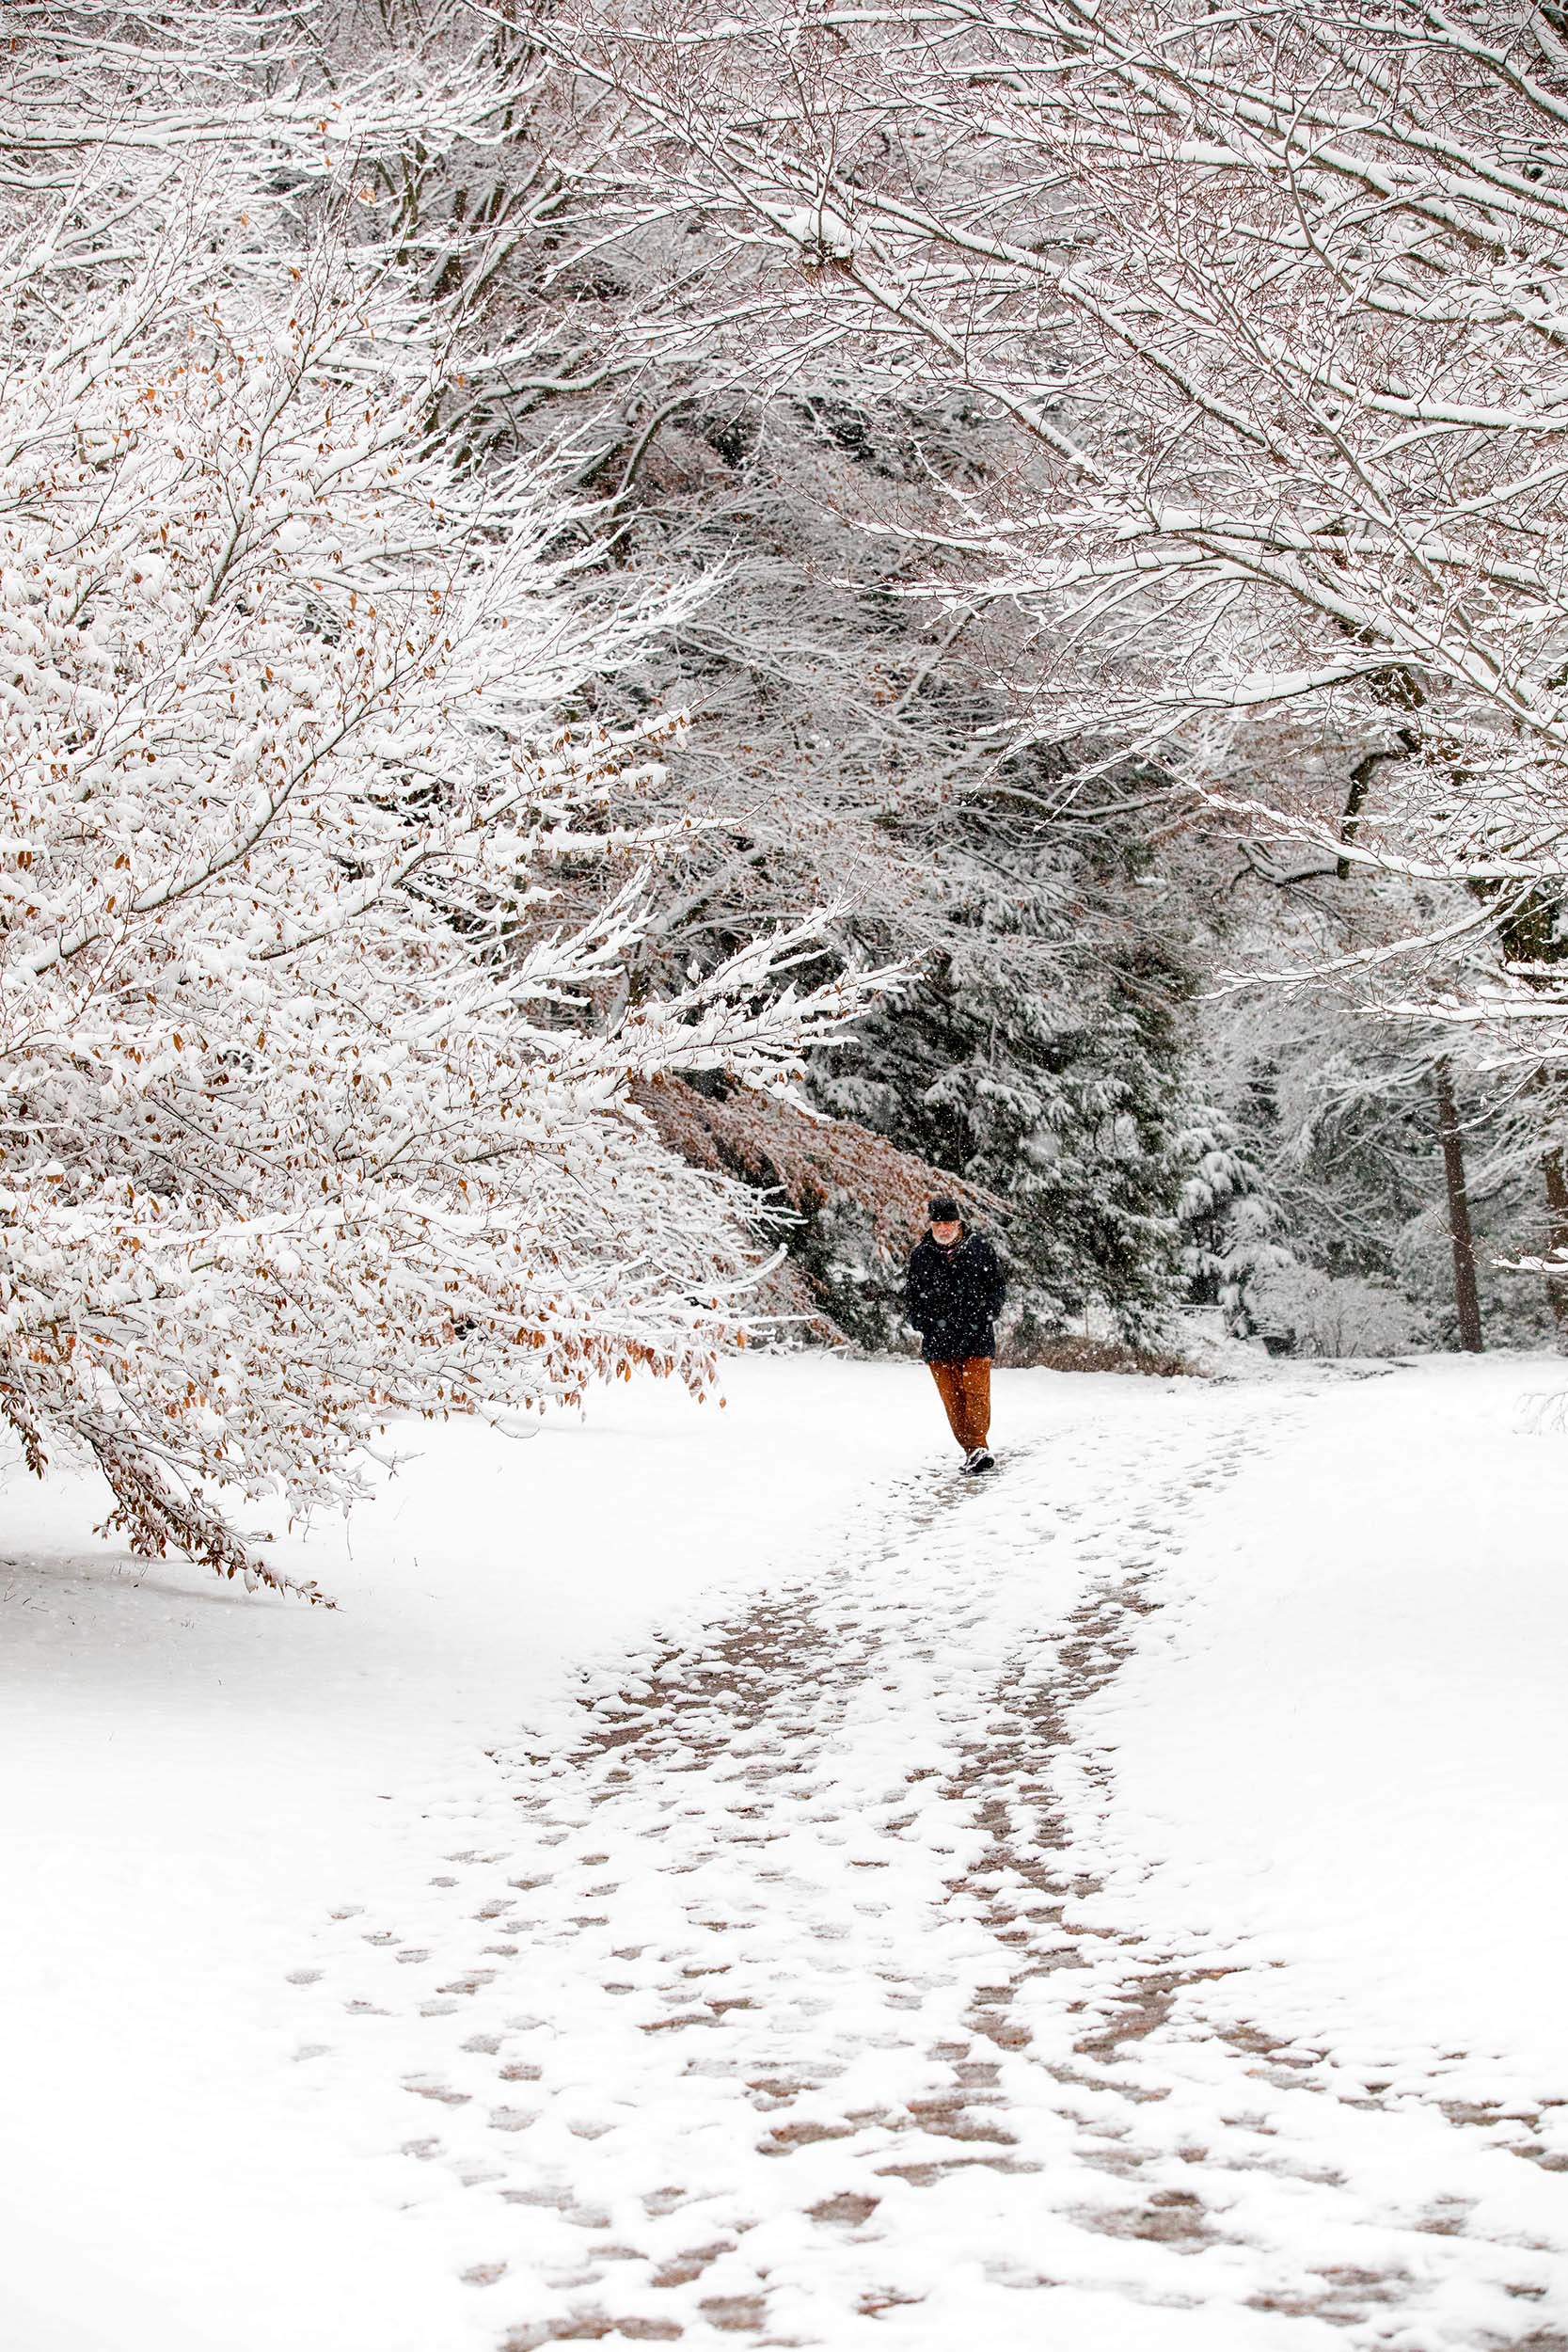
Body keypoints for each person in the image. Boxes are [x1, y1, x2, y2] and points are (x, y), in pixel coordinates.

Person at [903, 1197, 1007, 1474]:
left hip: (976, 1338)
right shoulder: (921, 1256)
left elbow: (997, 1286)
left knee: (976, 1394)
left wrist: (987, 1313)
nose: (944, 1228)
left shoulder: (980, 1249)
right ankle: (972, 1450)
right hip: (938, 1341)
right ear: (931, 1225)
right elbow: (911, 1297)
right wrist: (921, 1321)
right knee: (953, 1400)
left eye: (949, 1223)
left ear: (958, 1223)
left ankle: (978, 1447)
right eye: (939, 1223)